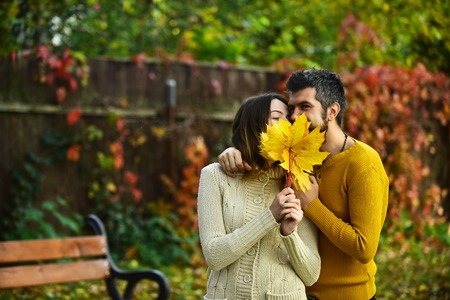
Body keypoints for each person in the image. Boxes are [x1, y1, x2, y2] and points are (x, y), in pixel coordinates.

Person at [218, 69, 389, 300]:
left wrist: (312, 205)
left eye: (305, 107)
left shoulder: (363, 163)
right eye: (292, 108)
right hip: (295, 292)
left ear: (332, 111)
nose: (293, 116)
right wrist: (233, 152)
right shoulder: (294, 155)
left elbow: (364, 248)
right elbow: (259, 151)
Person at [198, 92, 321, 300]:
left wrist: (290, 235)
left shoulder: (300, 181)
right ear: (253, 124)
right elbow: (214, 257)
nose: (287, 126)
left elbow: (311, 275)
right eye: (276, 117)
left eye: (288, 120)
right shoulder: (215, 177)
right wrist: (269, 217)